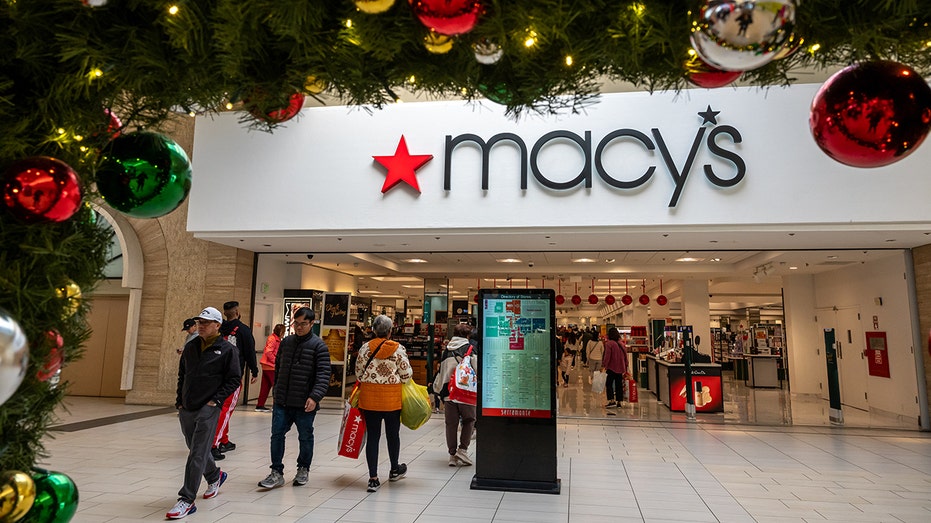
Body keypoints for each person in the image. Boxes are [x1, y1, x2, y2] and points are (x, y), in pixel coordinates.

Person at [167, 307, 242, 519]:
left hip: (208, 408)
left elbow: (234, 379)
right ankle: (214, 475)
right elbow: (183, 375)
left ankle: (186, 499)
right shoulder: (191, 347)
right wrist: (179, 401)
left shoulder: (227, 350)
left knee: (197, 453)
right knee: (194, 446)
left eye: (206, 322)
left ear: (217, 325)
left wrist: (215, 401)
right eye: (200, 322)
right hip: (187, 407)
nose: (201, 325)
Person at [257, 309, 331, 489]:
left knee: (305, 437)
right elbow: (279, 368)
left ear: (311, 324)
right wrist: (276, 392)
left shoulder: (319, 346)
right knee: (277, 435)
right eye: (296, 323)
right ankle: (276, 472)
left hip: (305, 402)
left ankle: (303, 469)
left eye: (303, 324)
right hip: (282, 401)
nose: (298, 327)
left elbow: (323, 375)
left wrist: (314, 397)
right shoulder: (286, 343)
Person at [355, 315, 412, 493]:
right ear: (390, 331)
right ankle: (394, 469)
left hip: (369, 399)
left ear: (373, 330)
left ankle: (373, 479)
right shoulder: (398, 348)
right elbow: (406, 375)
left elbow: (358, 373)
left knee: (373, 437)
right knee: (393, 435)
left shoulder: (365, 348)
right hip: (391, 400)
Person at [212, 300, 258, 460]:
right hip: (233, 376)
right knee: (226, 410)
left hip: (216, 375)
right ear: (237, 312)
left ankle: (224, 440)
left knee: (220, 408)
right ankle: (213, 445)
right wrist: (254, 370)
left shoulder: (218, 329)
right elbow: (250, 352)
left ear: (225, 313)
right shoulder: (244, 330)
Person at [432, 323, 476, 467]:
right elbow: (476, 370)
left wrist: (439, 392)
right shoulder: (470, 349)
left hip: (449, 393)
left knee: (451, 424)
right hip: (466, 392)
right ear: (467, 336)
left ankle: (452, 455)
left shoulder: (446, 351)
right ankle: (462, 450)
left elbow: (442, 373)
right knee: (469, 420)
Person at [255, 323, 285, 412]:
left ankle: (260, 405)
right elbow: (268, 352)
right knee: (276, 386)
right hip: (271, 366)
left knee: (265, 386)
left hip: (266, 365)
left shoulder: (274, 338)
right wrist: (276, 361)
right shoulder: (273, 339)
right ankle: (276, 405)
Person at [602, 327, 629, 414]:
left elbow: (607, 356)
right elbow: (625, 356)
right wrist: (626, 365)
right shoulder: (621, 343)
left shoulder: (609, 344)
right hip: (620, 367)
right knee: (619, 384)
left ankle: (611, 400)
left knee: (609, 383)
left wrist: (604, 364)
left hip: (611, 367)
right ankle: (619, 402)